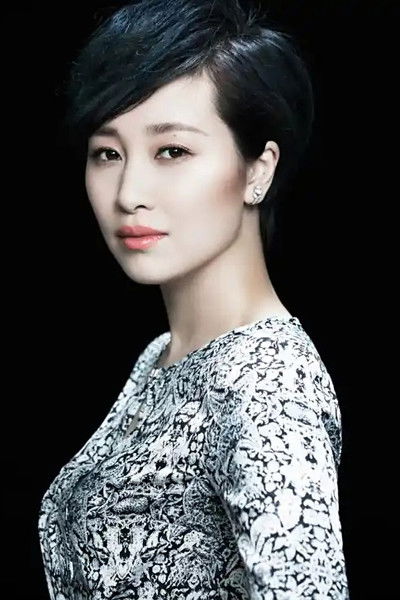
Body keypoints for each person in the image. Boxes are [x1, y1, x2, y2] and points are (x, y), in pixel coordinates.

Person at [38, 0, 350, 598]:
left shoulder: (268, 385)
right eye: (108, 153)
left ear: (258, 169)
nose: (129, 193)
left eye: (172, 151)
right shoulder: (162, 356)